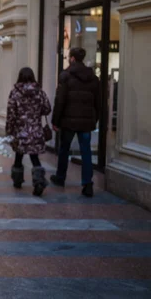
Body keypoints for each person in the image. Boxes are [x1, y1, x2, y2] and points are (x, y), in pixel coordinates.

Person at [51, 47, 101, 197]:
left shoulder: (65, 76)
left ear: (72, 58)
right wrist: (94, 118)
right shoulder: (93, 78)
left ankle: (60, 177)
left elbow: (60, 101)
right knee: (86, 152)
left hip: (68, 122)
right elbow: (98, 102)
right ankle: (88, 184)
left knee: (64, 149)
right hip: (85, 123)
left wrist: (56, 121)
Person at [6, 67, 52, 196]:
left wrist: (9, 130)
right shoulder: (39, 92)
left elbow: (11, 113)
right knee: (34, 157)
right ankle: (39, 182)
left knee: (19, 156)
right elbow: (47, 109)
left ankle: (17, 180)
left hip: (20, 131)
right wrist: (36, 113)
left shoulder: (15, 92)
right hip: (35, 130)